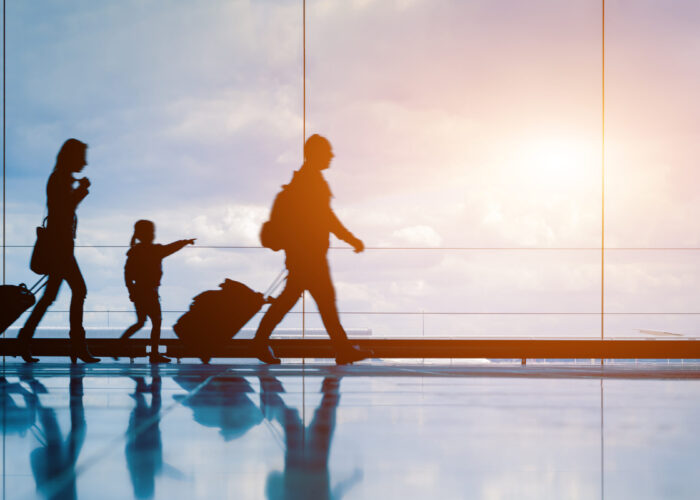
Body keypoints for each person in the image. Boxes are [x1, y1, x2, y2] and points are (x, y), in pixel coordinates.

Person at [254, 134, 373, 365]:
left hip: (303, 255)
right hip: (309, 256)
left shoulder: (305, 181)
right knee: (322, 301)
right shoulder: (312, 183)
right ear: (315, 154)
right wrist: (351, 239)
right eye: (327, 152)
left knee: (294, 301)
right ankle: (342, 349)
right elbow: (327, 218)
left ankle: (260, 342)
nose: (331, 156)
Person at [18, 139, 99, 363]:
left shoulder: (60, 178)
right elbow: (65, 209)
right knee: (79, 291)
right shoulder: (60, 179)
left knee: (49, 297)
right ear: (72, 157)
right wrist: (82, 190)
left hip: (60, 248)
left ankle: (25, 339)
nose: (85, 162)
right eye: (82, 157)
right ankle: (77, 346)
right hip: (61, 249)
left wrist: (79, 189)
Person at [120, 219, 195, 363]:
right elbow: (172, 247)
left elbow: (127, 274)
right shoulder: (155, 250)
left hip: (139, 291)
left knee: (141, 322)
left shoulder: (135, 251)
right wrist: (185, 242)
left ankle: (120, 345)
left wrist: (131, 291)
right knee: (156, 321)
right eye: (151, 232)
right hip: (150, 293)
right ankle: (153, 353)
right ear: (147, 234)